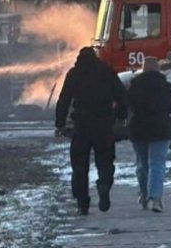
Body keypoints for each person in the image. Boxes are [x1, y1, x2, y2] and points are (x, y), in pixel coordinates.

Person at [55, 47, 128, 216]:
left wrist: (60, 124)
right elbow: (121, 95)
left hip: (82, 125)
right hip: (104, 124)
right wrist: (122, 115)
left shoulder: (74, 74)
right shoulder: (107, 71)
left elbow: (64, 99)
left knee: (79, 166)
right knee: (105, 160)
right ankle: (104, 185)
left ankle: (82, 203)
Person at [127, 57, 171, 213]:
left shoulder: (134, 86)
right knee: (157, 163)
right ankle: (156, 198)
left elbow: (126, 105)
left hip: (139, 129)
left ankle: (144, 194)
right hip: (161, 129)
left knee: (142, 164)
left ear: (143, 69)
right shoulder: (166, 86)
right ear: (158, 69)